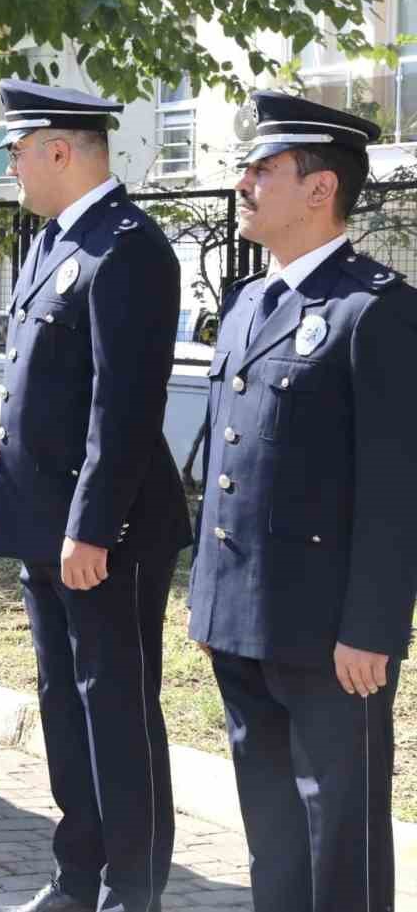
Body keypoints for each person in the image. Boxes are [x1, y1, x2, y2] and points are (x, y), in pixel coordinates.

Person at [190, 92, 417, 912]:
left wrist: (372, 627)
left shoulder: (377, 311)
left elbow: (396, 487)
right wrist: (208, 601)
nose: (243, 183)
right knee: (272, 836)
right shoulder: (251, 302)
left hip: (329, 635)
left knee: (340, 837)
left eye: (263, 170)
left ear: (320, 188)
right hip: (241, 621)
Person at [0, 81, 191, 912]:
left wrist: (91, 526)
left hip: (105, 532)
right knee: (64, 706)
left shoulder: (128, 246)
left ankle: (129, 888)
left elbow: (126, 404)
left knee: (116, 710)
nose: (11, 166)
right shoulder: (50, 243)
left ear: (59, 149)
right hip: (43, 523)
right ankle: (77, 871)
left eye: (16, 149)